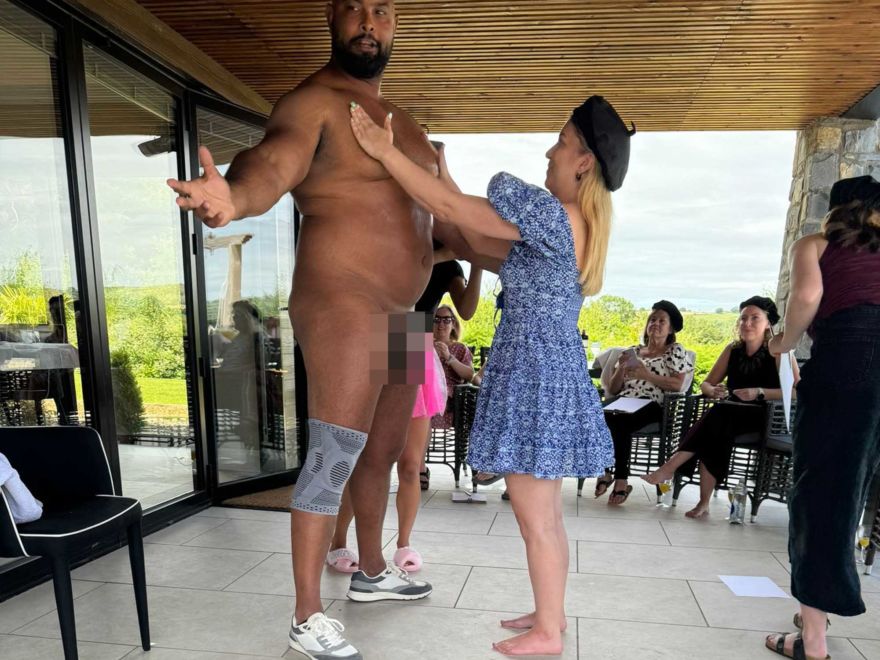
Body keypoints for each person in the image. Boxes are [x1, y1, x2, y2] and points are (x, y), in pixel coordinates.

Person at [167, 2, 433, 657]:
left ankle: (371, 571)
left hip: (405, 315)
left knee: (383, 451)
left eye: (382, 9)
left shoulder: (410, 126)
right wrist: (233, 196)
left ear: (395, 23)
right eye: (354, 8)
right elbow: (272, 163)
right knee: (335, 452)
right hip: (345, 302)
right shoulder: (312, 103)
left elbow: (440, 217)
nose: (368, 22)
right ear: (331, 19)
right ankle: (307, 614)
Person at [349, 93, 631, 656]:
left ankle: (547, 632)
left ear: (584, 162)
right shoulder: (566, 226)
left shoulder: (554, 215)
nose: (550, 152)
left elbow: (453, 210)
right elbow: (469, 231)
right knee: (547, 515)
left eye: (561, 143)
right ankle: (551, 614)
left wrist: (385, 152)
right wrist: (440, 171)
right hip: (546, 373)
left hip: (534, 378)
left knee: (535, 518)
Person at [763, 178, 880, 660]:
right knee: (854, 490)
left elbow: (807, 297)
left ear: (834, 211)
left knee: (820, 496)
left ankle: (812, 642)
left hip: (845, 364)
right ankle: (820, 607)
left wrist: (782, 343)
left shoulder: (815, 244)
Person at [643, 296, 799, 519]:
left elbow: (796, 391)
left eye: (755, 318)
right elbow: (706, 383)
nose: (747, 323)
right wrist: (713, 391)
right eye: (743, 318)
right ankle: (701, 501)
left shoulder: (778, 351)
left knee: (717, 417)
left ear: (768, 324)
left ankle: (671, 468)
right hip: (729, 414)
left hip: (765, 417)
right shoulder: (732, 349)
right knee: (716, 427)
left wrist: (759, 391)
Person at [597, 301, 692, 504]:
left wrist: (646, 375)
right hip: (623, 400)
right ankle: (605, 470)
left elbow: (677, 384)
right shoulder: (634, 351)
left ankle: (620, 479)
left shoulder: (674, 350)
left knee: (620, 421)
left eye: (661, 321)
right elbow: (613, 389)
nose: (655, 324)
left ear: (671, 329)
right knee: (595, 415)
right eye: (652, 320)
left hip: (652, 404)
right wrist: (621, 369)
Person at [430, 304, 476, 429]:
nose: (441, 324)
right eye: (436, 319)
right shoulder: (423, 345)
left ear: (453, 324)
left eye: (446, 320)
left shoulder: (460, 348)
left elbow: (470, 375)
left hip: (449, 396)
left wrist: (449, 357)